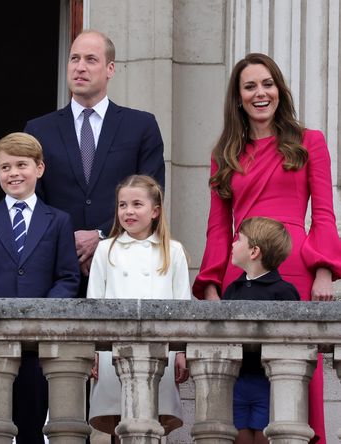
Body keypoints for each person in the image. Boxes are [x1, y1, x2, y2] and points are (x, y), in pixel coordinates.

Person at [192, 53, 341, 444]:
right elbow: (217, 227)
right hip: (240, 274)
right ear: (238, 98)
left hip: (295, 269)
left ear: (279, 90)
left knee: (295, 377)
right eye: (250, 86)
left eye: (267, 84)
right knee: (243, 385)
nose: (260, 93)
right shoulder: (224, 154)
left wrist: (324, 270)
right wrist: (211, 285)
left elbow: (324, 213)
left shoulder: (309, 142)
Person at [24, 29, 165, 295]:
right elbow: (31, 201)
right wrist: (68, 242)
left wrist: (101, 236)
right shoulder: (39, 130)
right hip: (55, 273)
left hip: (123, 268)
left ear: (110, 69)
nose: (80, 67)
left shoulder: (141, 126)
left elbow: (152, 193)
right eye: (74, 59)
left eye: (91, 59)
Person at [0, 132, 78, 442]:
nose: (13, 173)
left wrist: (42, 314)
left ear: (39, 168)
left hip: (38, 344)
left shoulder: (59, 220)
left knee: (32, 426)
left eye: (21, 165)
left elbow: (68, 278)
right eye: (5, 167)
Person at [87, 174, 190, 438]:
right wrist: (93, 350)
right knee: (117, 420)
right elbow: (94, 303)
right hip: (112, 351)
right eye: (122, 205)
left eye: (137, 204)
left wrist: (181, 351)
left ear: (155, 211)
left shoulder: (173, 251)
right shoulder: (106, 249)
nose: (128, 211)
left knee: (154, 419)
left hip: (160, 349)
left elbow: (183, 305)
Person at [223, 217, 300, 444]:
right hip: (236, 381)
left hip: (269, 383)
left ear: (254, 251)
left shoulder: (284, 292)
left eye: (239, 239)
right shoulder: (232, 290)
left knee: (265, 438)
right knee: (238, 437)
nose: (233, 244)